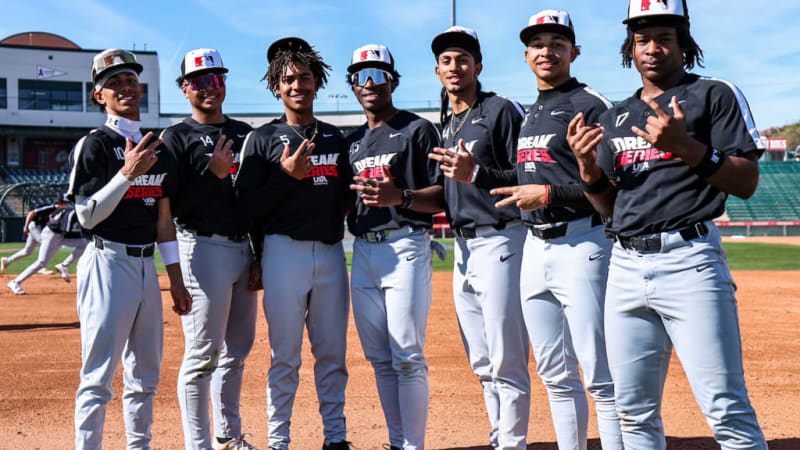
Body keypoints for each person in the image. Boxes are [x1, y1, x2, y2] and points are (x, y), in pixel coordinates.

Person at [567, 1, 767, 448]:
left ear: (684, 44)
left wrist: (688, 148)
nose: (652, 48)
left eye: (664, 38)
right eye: (642, 40)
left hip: (690, 261)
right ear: (630, 48)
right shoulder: (614, 115)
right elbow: (609, 209)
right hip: (624, 266)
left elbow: (748, 182)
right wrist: (587, 171)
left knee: (726, 408)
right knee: (633, 413)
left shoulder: (714, 94)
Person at [490, 11, 624, 450]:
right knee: (555, 373)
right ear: (527, 54)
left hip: (583, 242)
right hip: (535, 247)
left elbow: (609, 185)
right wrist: (478, 176)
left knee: (601, 373)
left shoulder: (591, 103)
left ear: (574, 52)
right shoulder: (532, 112)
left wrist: (547, 196)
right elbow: (525, 179)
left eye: (557, 43)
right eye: (538, 44)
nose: (546, 51)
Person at [67, 48, 191, 449]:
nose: (125, 88)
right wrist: (125, 174)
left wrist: (175, 280)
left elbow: (164, 221)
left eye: (130, 81)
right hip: (106, 260)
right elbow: (86, 217)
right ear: (98, 95)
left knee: (146, 375)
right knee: (98, 375)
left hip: (144, 267)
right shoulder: (95, 145)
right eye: (114, 83)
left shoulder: (158, 145)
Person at [234, 37, 351, 450]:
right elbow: (244, 209)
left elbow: (350, 200)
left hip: (333, 253)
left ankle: (335, 438)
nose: (297, 85)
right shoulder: (263, 138)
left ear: (318, 82)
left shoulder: (338, 139)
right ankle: (278, 440)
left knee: (332, 355)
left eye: (304, 77)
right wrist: (284, 176)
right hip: (283, 252)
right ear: (276, 87)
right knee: (284, 355)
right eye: (288, 80)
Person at [426, 26, 531, 449]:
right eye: (447, 61)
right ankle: (499, 435)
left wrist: (479, 173)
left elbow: (528, 176)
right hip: (464, 245)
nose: (456, 67)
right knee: (482, 357)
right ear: (437, 71)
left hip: (503, 238)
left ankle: (513, 442)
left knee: (507, 354)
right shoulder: (447, 120)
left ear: (478, 66)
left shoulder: (501, 110)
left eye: (464, 59)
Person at [345, 43, 444, 450]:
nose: (370, 83)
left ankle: (413, 446)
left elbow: (441, 197)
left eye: (379, 74)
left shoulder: (417, 129)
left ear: (394, 81)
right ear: (352, 85)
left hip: (405, 245)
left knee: (406, 355)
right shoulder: (352, 142)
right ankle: (396, 441)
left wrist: (400, 197)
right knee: (380, 360)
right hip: (363, 251)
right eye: (361, 76)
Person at [161, 48, 259, 450]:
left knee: (237, 351)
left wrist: (260, 255)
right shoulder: (176, 136)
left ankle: (228, 436)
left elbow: (256, 200)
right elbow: (172, 206)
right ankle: (197, 444)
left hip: (243, 250)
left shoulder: (244, 133)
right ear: (185, 89)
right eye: (200, 82)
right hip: (201, 247)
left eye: (216, 80)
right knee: (203, 354)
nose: (209, 89)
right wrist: (212, 174)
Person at [6, 197, 88, 294]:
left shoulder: (69, 210)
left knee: (84, 243)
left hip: (58, 234)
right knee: (41, 262)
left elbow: (52, 216)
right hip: (51, 235)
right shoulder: (72, 213)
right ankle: (15, 282)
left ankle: (64, 265)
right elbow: (66, 231)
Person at [1, 195, 67, 276]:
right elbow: (31, 213)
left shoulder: (59, 212)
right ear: (60, 203)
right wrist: (26, 226)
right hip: (34, 226)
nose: (66, 205)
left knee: (27, 251)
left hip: (38, 229)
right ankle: (42, 267)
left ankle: (7, 261)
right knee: (45, 243)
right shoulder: (50, 208)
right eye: (65, 203)